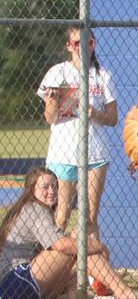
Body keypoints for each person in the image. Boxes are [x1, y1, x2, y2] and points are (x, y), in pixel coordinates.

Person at [0, 165, 138, 299]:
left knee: (75, 276)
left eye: (55, 186)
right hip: (15, 281)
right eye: (45, 187)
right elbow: (61, 245)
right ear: (31, 190)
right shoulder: (35, 208)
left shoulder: (35, 208)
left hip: (20, 284)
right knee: (78, 243)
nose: (52, 191)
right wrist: (98, 246)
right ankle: (121, 290)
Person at [36, 27, 118, 234]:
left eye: (88, 42)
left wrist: (94, 114)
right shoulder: (57, 72)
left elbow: (113, 118)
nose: (82, 47)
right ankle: (54, 263)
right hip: (63, 153)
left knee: (90, 216)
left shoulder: (102, 75)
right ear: (68, 46)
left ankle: (90, 265)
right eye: (76, 43)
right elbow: (50, 118)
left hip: (94, 152)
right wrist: (54, 99)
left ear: (93, 44)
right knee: (61, 215)